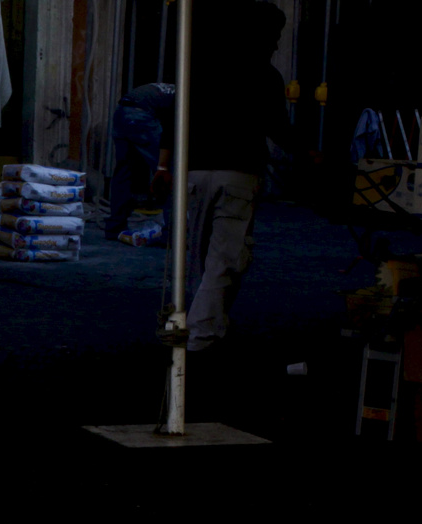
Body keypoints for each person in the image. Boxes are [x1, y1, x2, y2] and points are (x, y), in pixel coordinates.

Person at [184, 1, 289, 359]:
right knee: (225, 258)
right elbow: (279, 127)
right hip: (238, 174)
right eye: (275, 36)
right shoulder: (265, 75)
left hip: (196, 171)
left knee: (197, 256)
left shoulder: (203, 69)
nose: (277, 44)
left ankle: (203, 322)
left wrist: (165, 167)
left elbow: (178, 117)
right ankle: (201, 333)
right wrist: (309, 154)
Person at [105, 82, 175, 240]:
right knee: (167, 172)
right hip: (140, 114)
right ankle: (172, 233)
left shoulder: (168, 91)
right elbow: (170, 132)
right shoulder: (183, 96)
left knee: (123, 172)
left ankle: (115, 226)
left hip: (122, 112)